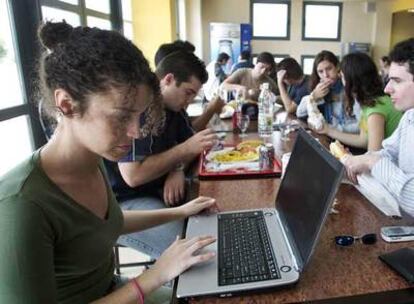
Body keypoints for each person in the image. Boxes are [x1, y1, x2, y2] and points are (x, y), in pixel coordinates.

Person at [0, 21, 217, 303]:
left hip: (112, 288)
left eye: (138, 116)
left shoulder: (93, 161)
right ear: (66, 104)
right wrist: (154, 276)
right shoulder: (21, 204)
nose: (136, 132)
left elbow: (106, 224)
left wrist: (182, 211)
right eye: (121, 116)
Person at [106, 51, 218, 259]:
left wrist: (177, 169)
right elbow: (133, 176)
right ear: (168, 80)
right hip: (125, 201)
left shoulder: (174, 109)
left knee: (212, 217)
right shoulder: (139, 110)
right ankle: (172, 282)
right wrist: (183, 152)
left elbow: (192, 146)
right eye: (188, 92)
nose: (189, 100)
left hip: (155, 189)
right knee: (190, 247)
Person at [343, 38, 414, 218]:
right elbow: (388, 151)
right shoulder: (409, 116)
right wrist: (362, 159)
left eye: (397, 80)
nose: (388, 88)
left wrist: (372, 162)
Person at [314, 52, 402, 151]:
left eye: (342, 76)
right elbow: (363, 140)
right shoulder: (370, 101)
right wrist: (328, 130)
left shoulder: (375, 110)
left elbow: (373, 155)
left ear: (352, 80)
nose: (340, 78)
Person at [297, 50, 361, 134]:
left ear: (337, 67)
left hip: (347, 139)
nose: (325, 75)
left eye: (329, 69)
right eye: (320, 71)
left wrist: (331, 129)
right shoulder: (318, 87)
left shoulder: (349, 86)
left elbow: (361, 127)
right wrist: (314, 96)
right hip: (328, 137)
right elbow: (300, 113)